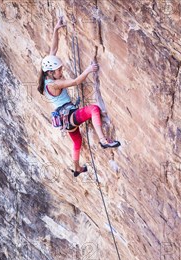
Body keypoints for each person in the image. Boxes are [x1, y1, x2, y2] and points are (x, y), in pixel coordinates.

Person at [37, 17, 120, 177]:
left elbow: (52, 51)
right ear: (51, 73)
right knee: (93, 109)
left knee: (77, 141)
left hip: (65, 119)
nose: (61, 72)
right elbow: (75, 81)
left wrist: (56, 29)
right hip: (70, 116)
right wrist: (88, 70)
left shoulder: (47, 76)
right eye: (59, 71)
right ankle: (103, 140)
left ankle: (77, 168)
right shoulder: (54, 84)